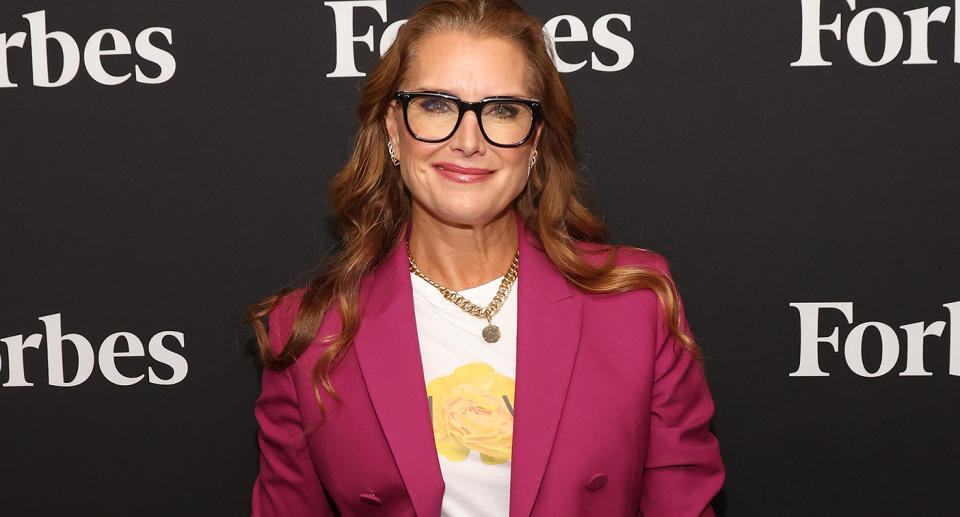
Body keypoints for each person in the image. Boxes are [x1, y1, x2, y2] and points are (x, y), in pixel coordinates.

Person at [246, 0, 724, 515]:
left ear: (535, 138)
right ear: (392, 127)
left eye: (502, 110)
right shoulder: (309, 333)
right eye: (435, 105)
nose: (468, 141)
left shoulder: (637, 305)